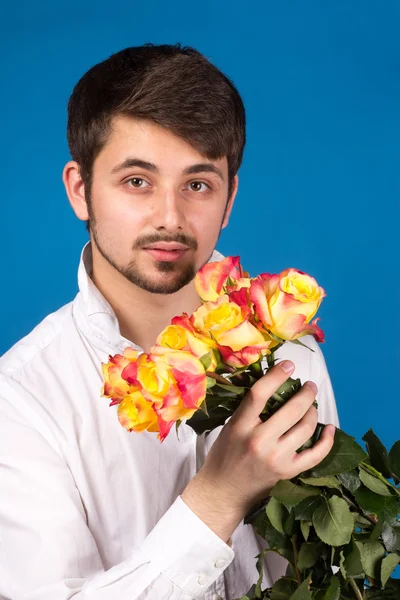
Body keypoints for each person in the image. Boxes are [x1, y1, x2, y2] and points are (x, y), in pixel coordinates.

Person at [0, 44, 339, 600]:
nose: (170, 218)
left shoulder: (292, 355)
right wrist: (218, 498)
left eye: (198, 184)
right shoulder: (19, 401)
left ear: (228, 201)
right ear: (80, 190)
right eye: (137, 181)